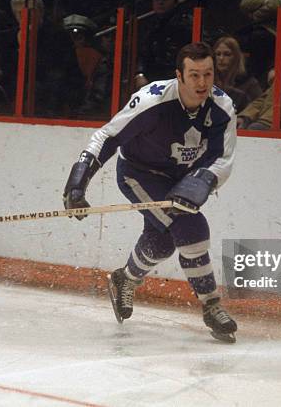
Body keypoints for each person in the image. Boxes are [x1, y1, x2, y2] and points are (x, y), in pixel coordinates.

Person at [62, 42, 238, 343]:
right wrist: (78, 182)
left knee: (162, 243)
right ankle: (211, 305)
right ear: (179, 76)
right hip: (139, 175)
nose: (202, 83)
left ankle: (124, 279)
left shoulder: (222, 108)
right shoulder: (150, 101)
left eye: (208, 74)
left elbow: (224, 157)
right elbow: (107, 137)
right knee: (192, 229)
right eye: (194, 75)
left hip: (184, 178)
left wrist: (201, 181)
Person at [134, 0, 192, 90]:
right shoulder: (149, 26)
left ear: (175, 2)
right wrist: (140, 74)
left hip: (178, 78)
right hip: (152, 79)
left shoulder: (187, 24)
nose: (160, 2)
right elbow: (143, 53)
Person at [213, 36, 261, 113]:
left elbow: (257, 109)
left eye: (227, 54)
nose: (221, 58)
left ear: (236, 57)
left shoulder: (250, 83)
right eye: (218, 54)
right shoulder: (210, 80)